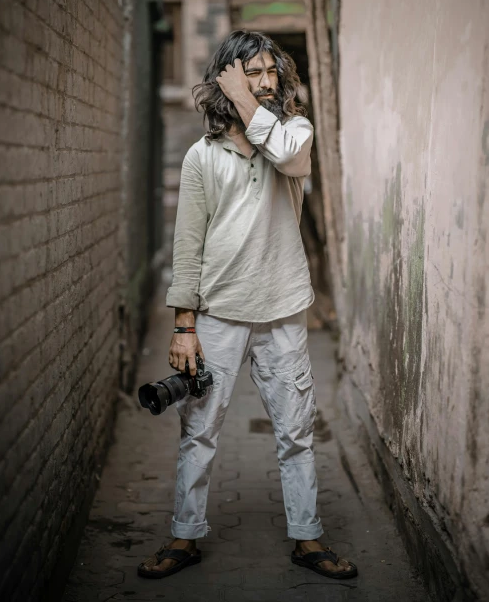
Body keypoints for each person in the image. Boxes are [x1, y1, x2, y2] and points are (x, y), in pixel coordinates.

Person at [138, 30, 357, 581]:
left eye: (269, 73)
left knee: (296, 432)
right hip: (218, 314)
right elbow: (187, 247)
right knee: (200, 430)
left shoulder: (295, 134)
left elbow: (286, 156)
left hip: (282, 310)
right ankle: (185, 537)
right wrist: (183, 326)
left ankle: (307, 539)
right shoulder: (201, 156)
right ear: (226, 79)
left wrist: (245, 99)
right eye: (250, 73)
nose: (263, 83)